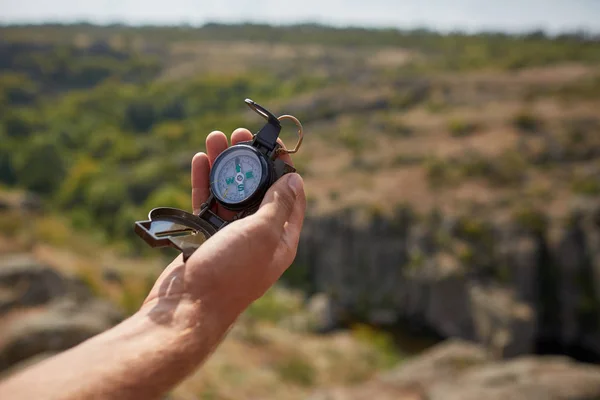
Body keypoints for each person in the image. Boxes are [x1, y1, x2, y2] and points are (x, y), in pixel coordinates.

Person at [0, 128, 306, 399]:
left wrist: (190, 302)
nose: (239, 177)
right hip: (219, 214)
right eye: (236, 173)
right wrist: (201, 303)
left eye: (243, 175)